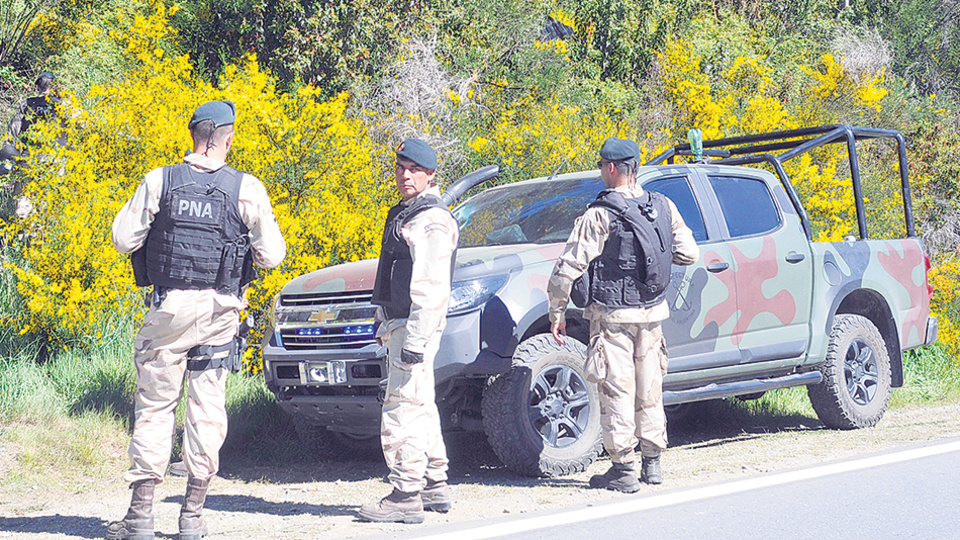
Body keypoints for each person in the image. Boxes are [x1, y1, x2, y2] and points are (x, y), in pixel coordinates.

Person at [107, 100, 286, 539]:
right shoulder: (247, 189)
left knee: (155, 406)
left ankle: (140, 516)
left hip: (169, 311)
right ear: (227, 138)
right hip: (219, 313)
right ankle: (192, 516)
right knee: (207, 409)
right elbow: (272, 257)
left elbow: (122, 239)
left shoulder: (159, 180)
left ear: (191, 136)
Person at [546, 137, 699, 493]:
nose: (601, 171)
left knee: (616, 390)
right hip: (652, 316)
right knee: (650, 389)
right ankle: (653, 464)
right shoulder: (663, 206)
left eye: (601, 166)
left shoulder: (599, 214)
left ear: (612, 168)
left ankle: (623, 469)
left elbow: (567, 268)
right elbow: (688, 253)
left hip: (612, 317)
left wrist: (557, 312)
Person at [359, 138, 459, 524]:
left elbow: (431, 291)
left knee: (403, 407)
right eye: (400, 167)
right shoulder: (410, 214)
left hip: (414, 328)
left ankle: (405, 494)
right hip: (401, 324)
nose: (404, 175)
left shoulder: (430, 219)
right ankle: (434, 483)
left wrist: (414, 342)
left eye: (414, 169)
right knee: (420, 402)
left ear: (431, 174)